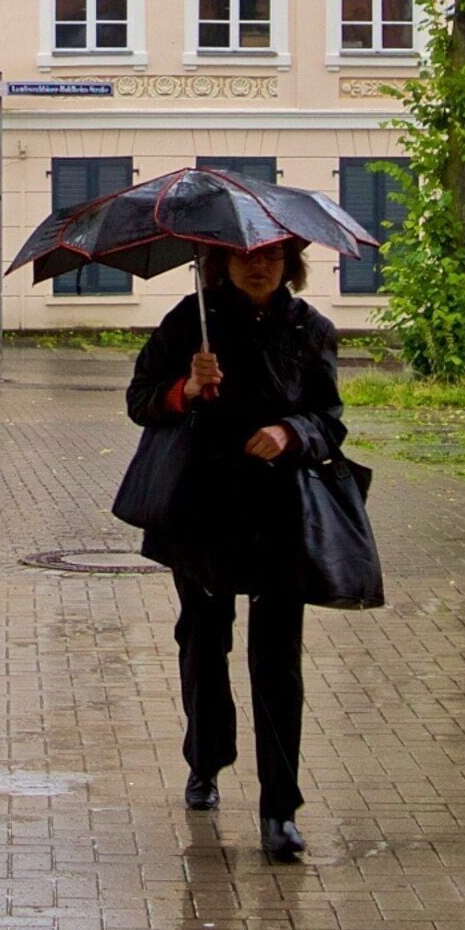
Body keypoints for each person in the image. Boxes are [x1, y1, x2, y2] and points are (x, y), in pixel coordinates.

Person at [123, 237, 345, 861]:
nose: (258, 268)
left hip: (280, 515)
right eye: (245, 257)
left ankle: (279, 809)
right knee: (202, 641)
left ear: (290, 265)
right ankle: (206, 761)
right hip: (202, 510)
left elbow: (330, 419)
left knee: (278, 660)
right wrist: (187, 390)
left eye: (272, 258)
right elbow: (140, 401)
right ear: (218, 262)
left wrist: (289, 431)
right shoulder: (187, 323)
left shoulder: (309, 330)